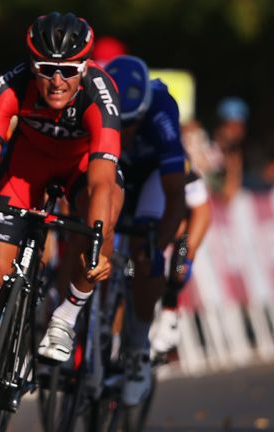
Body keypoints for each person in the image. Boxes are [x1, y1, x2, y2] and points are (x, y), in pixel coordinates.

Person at [0, 12, 123, 430]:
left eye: (68, 71)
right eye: (46, 70)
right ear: (32, 66)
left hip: (81, 170)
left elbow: (103, 179)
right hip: (25, 170)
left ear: (85, 68)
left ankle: (67, 315)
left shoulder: (101, 94)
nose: (57, 81)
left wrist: (95, 243)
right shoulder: (11, 84)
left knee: (105, 211)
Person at [104, 55, 187, 405]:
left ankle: (137, 348)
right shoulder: (96, 98)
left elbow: (176, 200)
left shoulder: (162, 112)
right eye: (119, 124)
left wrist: (157, 247)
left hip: (152, 176)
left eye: (132, 123)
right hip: (113, 168)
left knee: (146, 250)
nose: (126, 131)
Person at [151, 168, 212, 354]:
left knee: (180, 262)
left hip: (185, 224)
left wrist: (188, 246)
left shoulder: (181, 171)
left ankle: (170, 308)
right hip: (153, 220)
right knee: (133, 269)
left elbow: (200, 212)